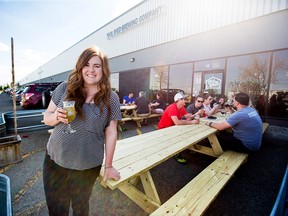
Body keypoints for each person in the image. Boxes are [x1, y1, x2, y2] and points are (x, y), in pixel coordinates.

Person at [43, 46, 122, 216]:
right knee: (57, 210)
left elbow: (111, 132)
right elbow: (47, 118)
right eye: (86, 64)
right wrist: (56, 116)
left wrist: (108, 166)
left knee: (80, 208)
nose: (91, 70)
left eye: (97, 66)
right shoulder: (65, 88)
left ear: (104, 69)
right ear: (80, 67)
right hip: (55, 161)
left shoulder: (111, 97)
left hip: (86, 166)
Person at [158, 92, 199, 164]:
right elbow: (177, 122)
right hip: (164, 129)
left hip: (172, 127)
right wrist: (192, 122)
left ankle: (187, 147)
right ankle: (176, 153)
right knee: (179, 135)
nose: (185, 100)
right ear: (179, 100)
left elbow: (187, 116)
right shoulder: (172, 107)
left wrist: (196, 115)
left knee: (186, 131)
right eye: (183, 99)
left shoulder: (181, 107)